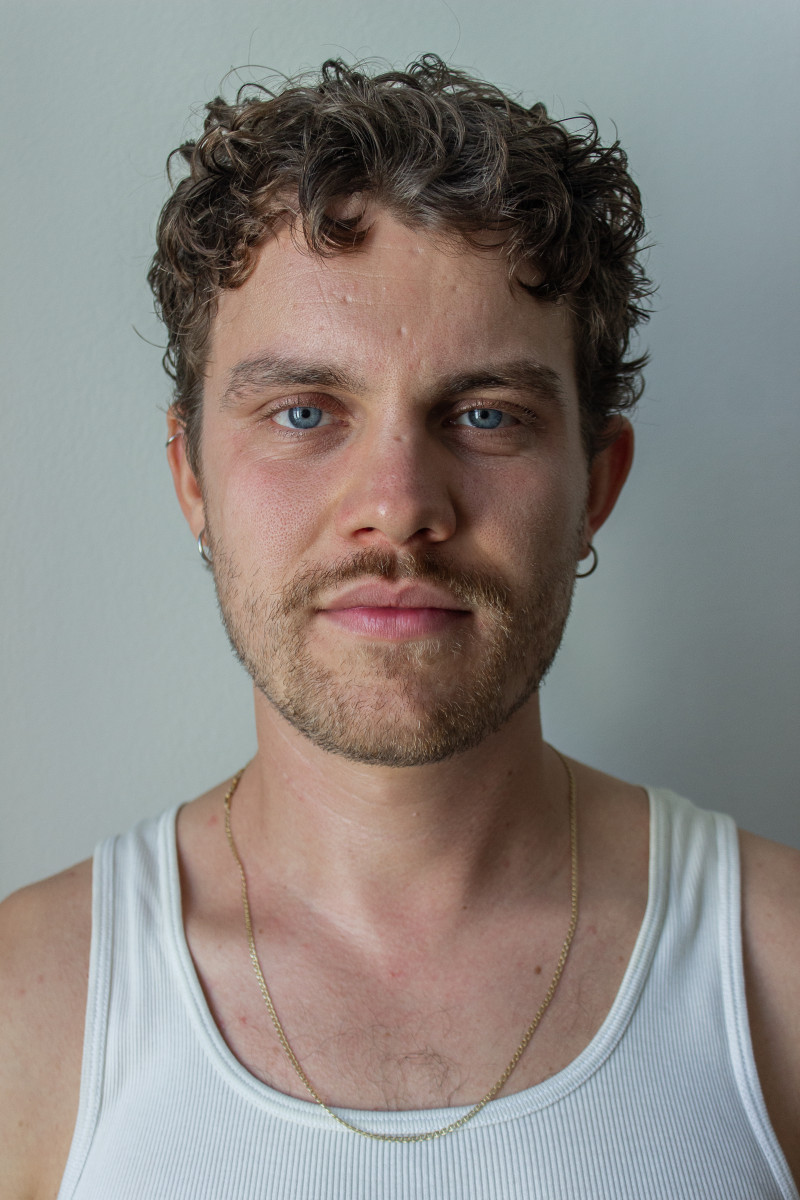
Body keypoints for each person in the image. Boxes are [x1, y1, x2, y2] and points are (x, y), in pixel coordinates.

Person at [2, 56, 798, 1199]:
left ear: (594, 483)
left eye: (483, 414)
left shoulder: (776, 966)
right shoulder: (30, 1010)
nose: (398, 505)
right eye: (303, 412)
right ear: (191, 478)